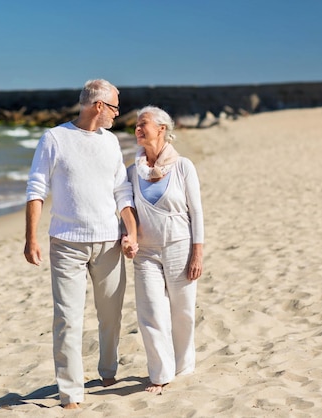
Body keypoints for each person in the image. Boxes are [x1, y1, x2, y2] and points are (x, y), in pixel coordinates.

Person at [24, 79, 138, 409]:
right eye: (115, 107)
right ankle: (71, 393)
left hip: (109, 242)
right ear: (98, 106)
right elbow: (36, 188)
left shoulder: (111, 142)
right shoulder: (54, 139)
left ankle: (107, 370)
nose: (118, 114)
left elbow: (122, 192)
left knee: (110, 315)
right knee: (68, 320)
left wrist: (130, 231)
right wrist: (31, 237)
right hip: (67, 244)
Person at [127, 106, 204, 394]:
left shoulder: (183, 166)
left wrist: (198, 253)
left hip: (180, 248)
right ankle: (160, 375)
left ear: (161, 128)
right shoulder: (132, 171)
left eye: (142, 124)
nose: (137, 128)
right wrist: (128, 237)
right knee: (151, 313)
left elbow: (197, 213)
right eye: (135, 124)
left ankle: (184, 367)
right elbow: (127, 210)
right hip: (145, 254)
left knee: (182, 312)